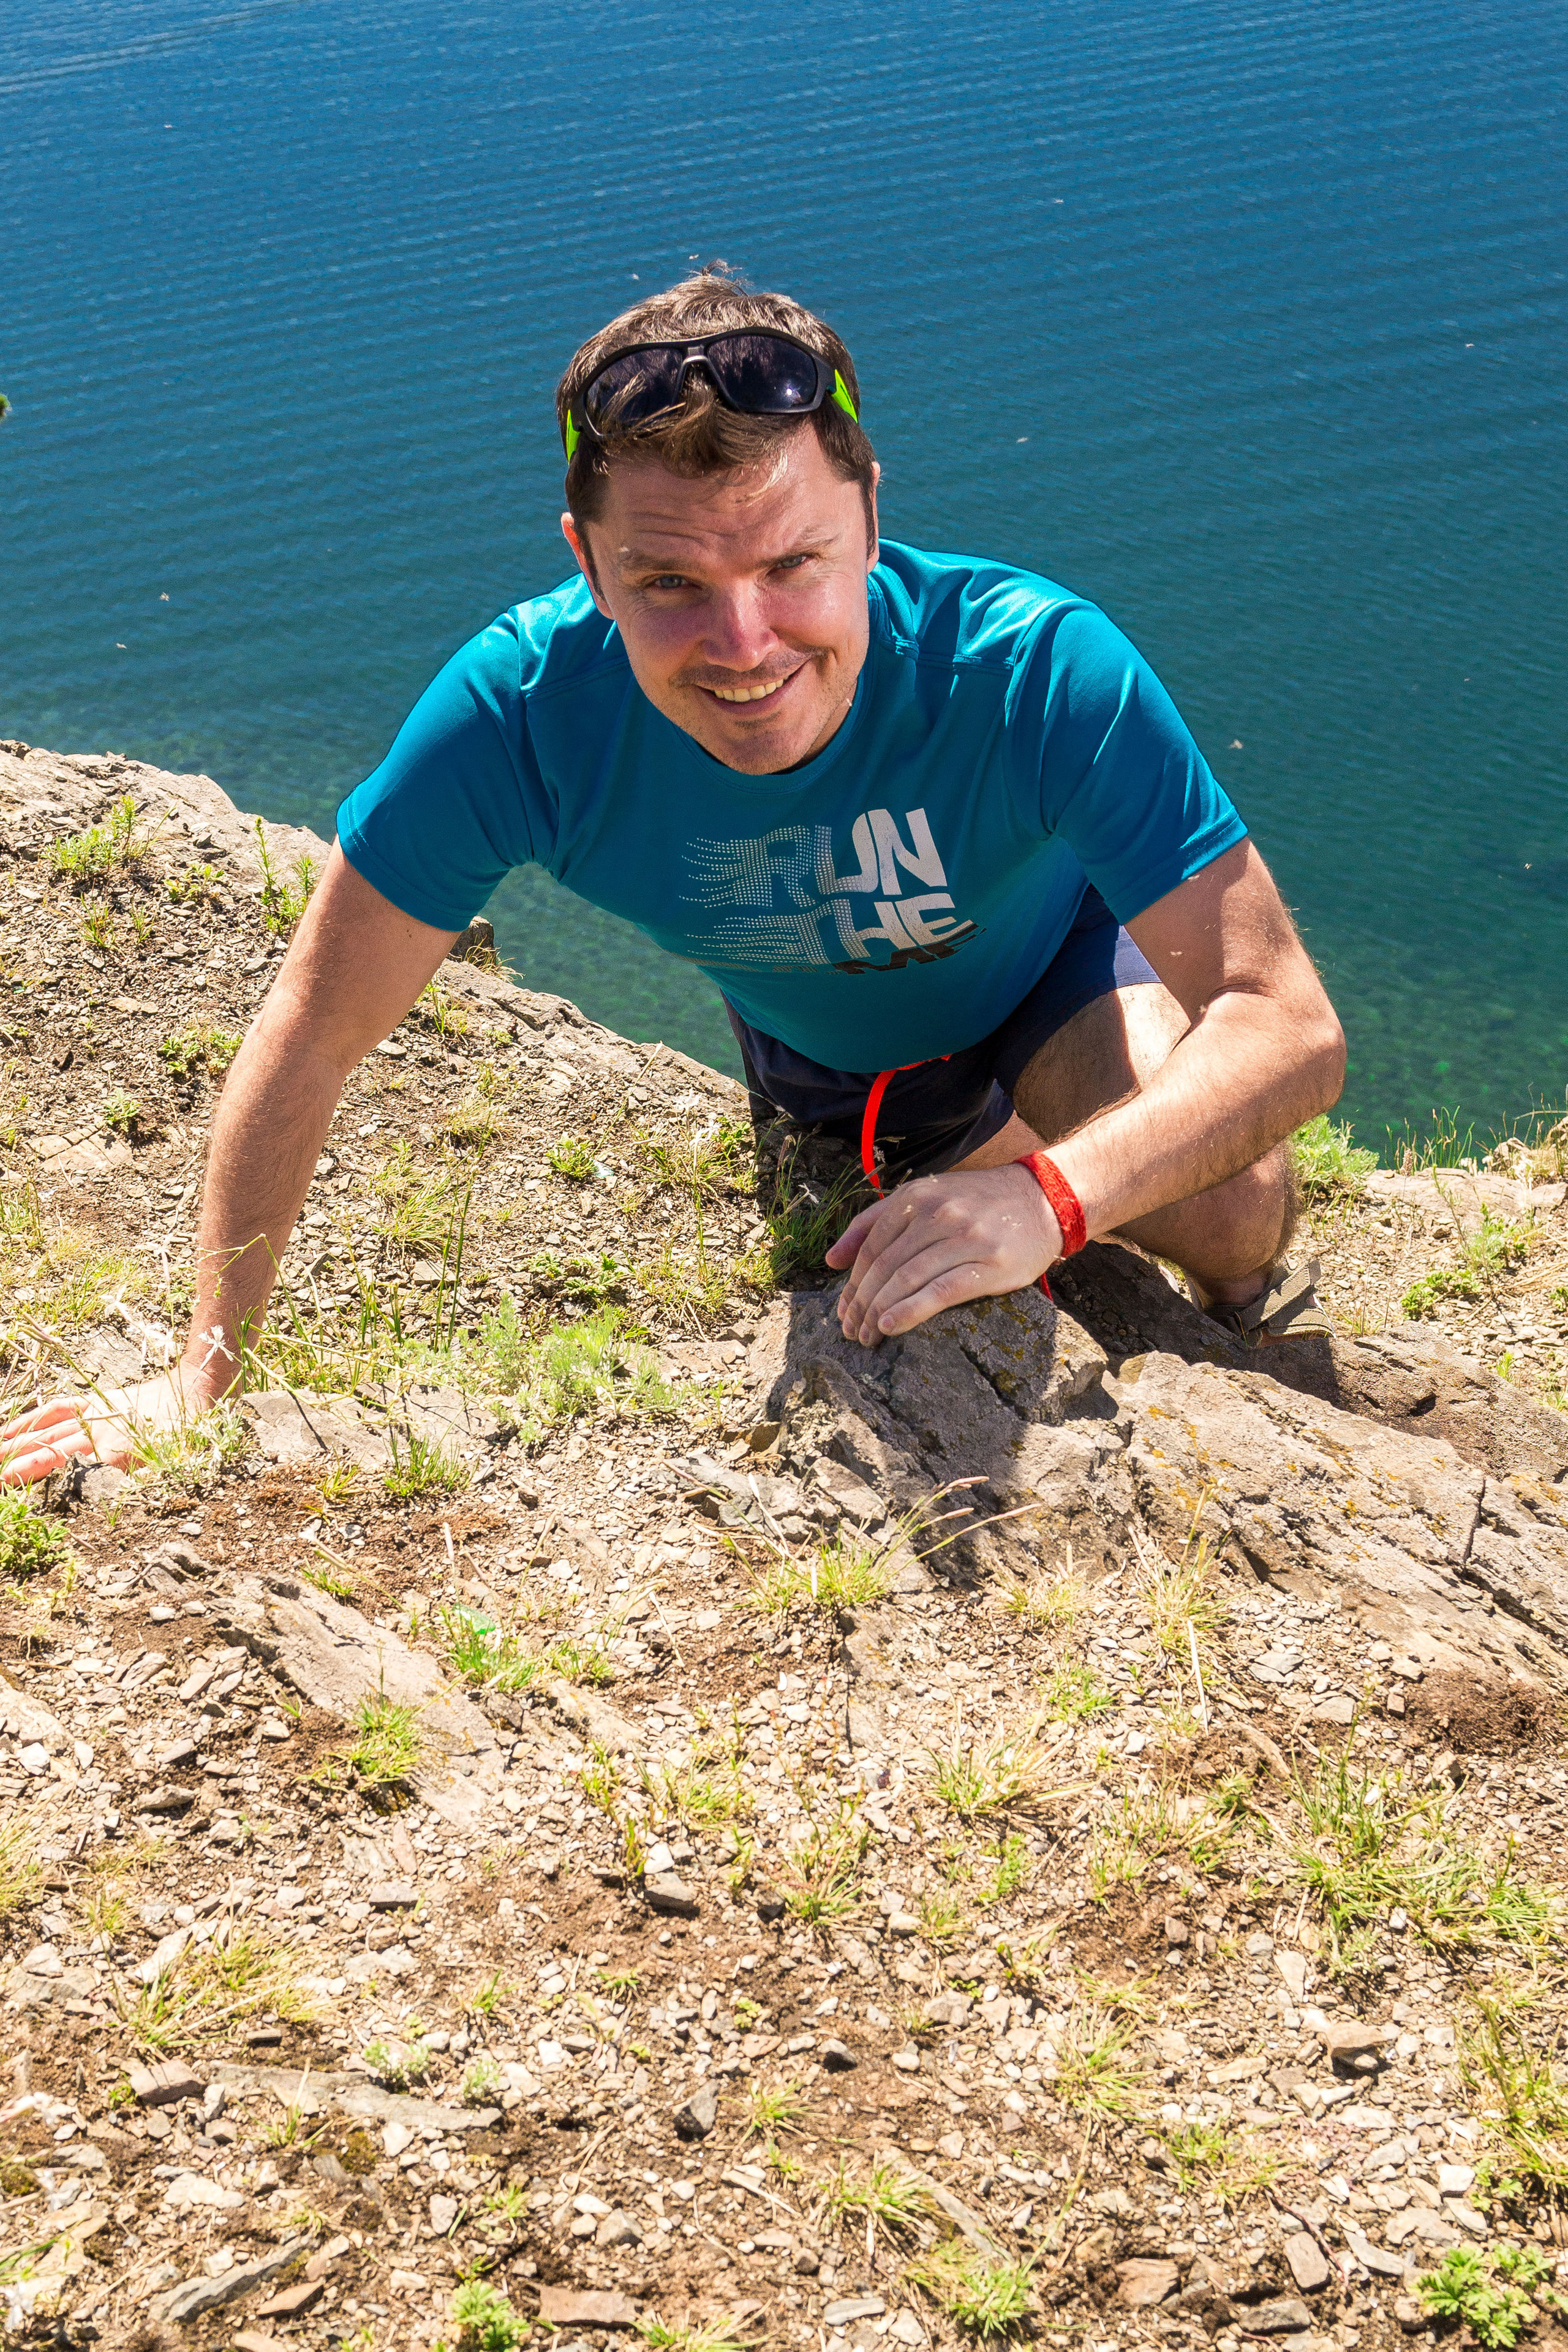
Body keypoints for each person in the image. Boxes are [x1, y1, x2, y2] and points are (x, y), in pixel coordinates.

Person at [0, 269, 1345, 1485]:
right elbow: (311, 1030)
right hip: (841, 1061)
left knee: (1231, 1215)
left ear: (870, 521)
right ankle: (933, 1144)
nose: (742, 642)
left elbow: (1283, 1020)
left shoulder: (1030, 666)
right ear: (584, 562)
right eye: (667, 581)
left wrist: (1051, 1202)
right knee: (943, 1250)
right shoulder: (519, 718)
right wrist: (203, 1380)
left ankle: (1235, 1333)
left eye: (790, 564)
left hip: (1050, 958)